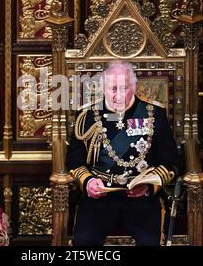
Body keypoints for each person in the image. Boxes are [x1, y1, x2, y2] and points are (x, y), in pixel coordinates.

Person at [66, 60, 181, 246]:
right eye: (112, 88)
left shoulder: (154, 114)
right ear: (102, 88)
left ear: (134, 87)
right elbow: (73, 161)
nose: (118, 95)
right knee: (84, 241)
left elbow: (172, 162)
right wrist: (88, 182)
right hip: (100, 199)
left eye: (124, 88)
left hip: (141, 199)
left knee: (150, 242)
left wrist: (149, 186)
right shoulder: (86, 117)